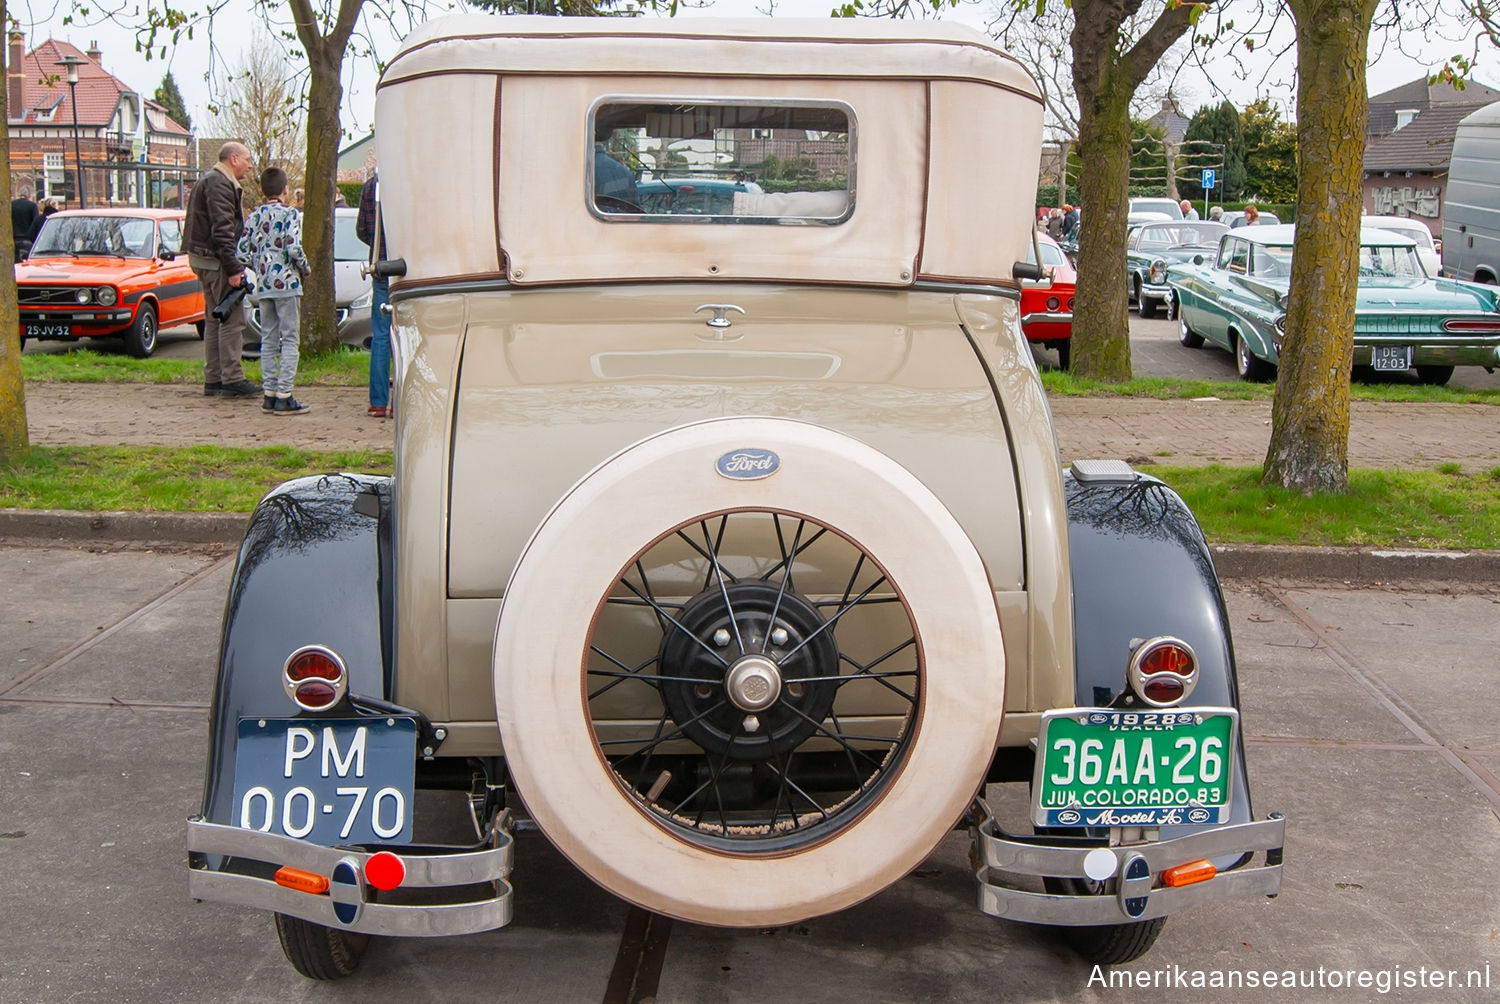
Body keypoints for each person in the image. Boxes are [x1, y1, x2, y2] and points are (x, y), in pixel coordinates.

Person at [185, 142, 258, 397]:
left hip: (203, 259)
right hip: (216, 261)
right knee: (230, 318)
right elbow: (222, 230)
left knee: (215, 316)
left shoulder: (210, 180)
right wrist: (233, 268)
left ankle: (214, 378)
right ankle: (232, 377)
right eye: (248, 159)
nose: (250, 165)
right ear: (234, 159)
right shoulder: (220, 184)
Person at [237, 166, 311, 415]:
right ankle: (285, 394)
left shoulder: (255, 216)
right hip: (288, 284)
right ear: (286, 190)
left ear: (261, 190)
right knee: (290, 339)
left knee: (268, 339)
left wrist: (259, 266)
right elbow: (292, 247)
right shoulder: (290, 214)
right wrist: (305, 267)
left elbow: (241, 251)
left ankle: (268, 393)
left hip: (264, 285)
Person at [357, 170, 392, 418]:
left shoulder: (371, 186)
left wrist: (377, 248)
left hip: (380, 267)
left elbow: (361, 229)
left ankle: (378, 402)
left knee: (380, 337)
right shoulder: (409, 178)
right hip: (409, 269)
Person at [11, 189, 39, 260]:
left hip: (14, 238)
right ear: (28, 196)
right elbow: (35, 222)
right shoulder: (32, 205)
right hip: (28, 239)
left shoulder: (11, 204)